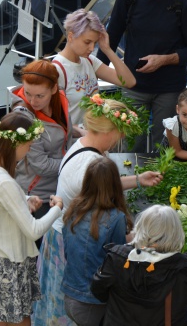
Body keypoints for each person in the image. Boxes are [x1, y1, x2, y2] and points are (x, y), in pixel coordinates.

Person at [33, 95, 163, 326]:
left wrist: (138, 179)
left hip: (65, 234)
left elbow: (102, 182)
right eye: (120, 132)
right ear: (108, 130)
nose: (121, 138)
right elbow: (102, 190)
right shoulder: (88, 163)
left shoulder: (83, 144)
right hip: (73, 244)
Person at [97, 0, 187, 152]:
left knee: (162, 146)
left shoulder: (184, 1)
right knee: (129, 142)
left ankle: (158, 184)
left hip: (170, 88)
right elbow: (112, 36)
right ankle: (130, 184)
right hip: (133, 85)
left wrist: (165, 59)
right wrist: (94, 71)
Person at [0, 111, 64, 325]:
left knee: (2, 322)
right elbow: (34, 230)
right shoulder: (5, 182)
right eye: (28, 145)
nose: (29, 150)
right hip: (9, 263)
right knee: (22, 321)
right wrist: (57, 208)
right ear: (17, 144)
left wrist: (23, 200)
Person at [91, 204, 187, 326]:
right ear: (176, 233)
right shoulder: (183, 269)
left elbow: (98, 291)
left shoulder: (117, 259)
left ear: (140, 228)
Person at [62, 157, 133, 326]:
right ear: (115, 184)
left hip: (70, 294)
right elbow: (117, 263)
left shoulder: (74, 209)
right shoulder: (116, 218)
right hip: (92, 303)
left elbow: (70, 251)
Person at [52, 9, 136, 137]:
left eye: (95, 43)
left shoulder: (89, 61)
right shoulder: (58, 68)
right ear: (70, 36)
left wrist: (107, 49)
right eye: (87, 42)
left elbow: (129, 82)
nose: (92, 48)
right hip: (73, 142)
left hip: (92, 137)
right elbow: (55, 118)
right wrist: (81, 132)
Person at [10, 60, 73, 230]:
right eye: (27, 93)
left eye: (39, 96)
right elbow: (41, 166)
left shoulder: (61, 101)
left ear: (54, 89)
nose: (32, 100)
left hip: (61, 187)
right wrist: (75, 161)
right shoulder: (24, 118)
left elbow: (69, 136)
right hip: (37, 196)